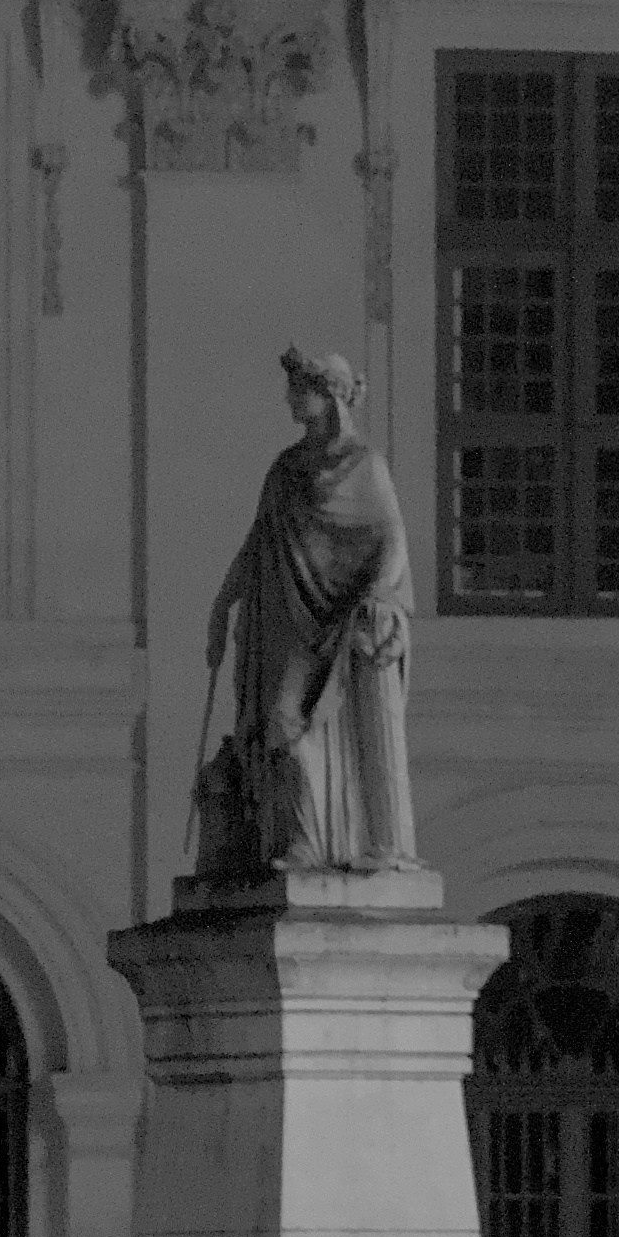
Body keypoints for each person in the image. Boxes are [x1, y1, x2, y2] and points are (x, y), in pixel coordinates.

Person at [193, 345, 416, 882]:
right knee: (275, 725)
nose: (291, 400)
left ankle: (309, 846)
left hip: (341, 618)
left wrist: (378, 599)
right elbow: (257, 543)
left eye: (301, 391)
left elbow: (390, 542)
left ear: (330, 397)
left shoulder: (365, 466)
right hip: (286, 617)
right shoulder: (286, 468)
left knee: (291, 722)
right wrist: (223, 604)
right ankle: (299, 841)